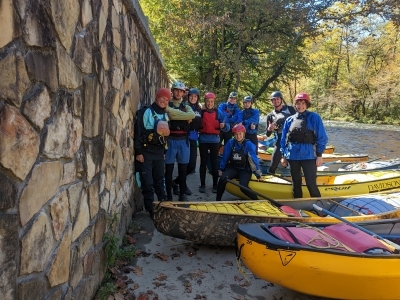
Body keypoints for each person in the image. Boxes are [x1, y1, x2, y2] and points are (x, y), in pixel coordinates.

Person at [280, 92, 328, 198]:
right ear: (295, 104)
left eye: (303, 103)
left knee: (311, 184)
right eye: (298, 103)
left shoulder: (314, 117)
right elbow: (284, 139)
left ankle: (319, 207)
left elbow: (322, 137)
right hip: (292, 156)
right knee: (296, 184)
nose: (300, 106)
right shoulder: (289, 120)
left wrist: (319, 155)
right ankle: (298, 206)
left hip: (309, 156)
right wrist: (283, 155)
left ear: (307, 104)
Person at [134, 88, 171, 219]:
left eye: (167, 100)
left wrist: (165, 152)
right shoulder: (146, 112)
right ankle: (151, 210)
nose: (164, 101)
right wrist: (138, 152)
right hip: (146, 153)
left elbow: (165, 137)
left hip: (159, 154)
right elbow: (138, 133)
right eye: (163, 98)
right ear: (157, 97)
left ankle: (163, 207)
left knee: (160, 181)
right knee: (148, 183)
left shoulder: (166, 115)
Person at [164, 81, 195, 201]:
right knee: (169, 170)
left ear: (183, 93)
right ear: (172, 91)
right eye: (176, 90)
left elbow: (191, 116)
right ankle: (169, 196)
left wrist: (173, 114)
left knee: (183, 170)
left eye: (181, 91)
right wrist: (183, 116)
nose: (178, 93)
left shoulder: (186, 106)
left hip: (183, 141)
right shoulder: (168, 105)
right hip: (170, 140)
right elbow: (170, 115)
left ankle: (182, 193)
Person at [216, 124, 262, 201]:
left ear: (244, 134)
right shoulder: (231, 142)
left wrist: (257, 174)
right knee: (222, 179)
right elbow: (225, 157)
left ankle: (257, 201)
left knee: (243, 187)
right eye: (236, 134)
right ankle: (217, 200)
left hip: (245, 169)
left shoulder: (249, 144)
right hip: (233, 168)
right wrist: (222, 169)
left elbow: (254, 160)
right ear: (234, 134)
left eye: (240, 134)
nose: (238, 136)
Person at [198, 92, 230, 193]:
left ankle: (215, 185)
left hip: (215, 140)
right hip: (203, 139)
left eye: (211, 101)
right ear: (205, 102)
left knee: (214, 162)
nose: (209, 103)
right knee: (203, 162)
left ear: (214, 102)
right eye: (207, 101)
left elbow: (227, 127)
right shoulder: (201, 112)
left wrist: (224, 126)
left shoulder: (219, 113)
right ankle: (202, 185)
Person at [172, 88, 202, 195]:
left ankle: (175, 182)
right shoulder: (184, 107)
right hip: (184, 137)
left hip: (193, 139)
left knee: (192, 165)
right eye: (191, 96)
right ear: (188, 97)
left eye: (195, 96)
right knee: (184, 164)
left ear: (198, 98)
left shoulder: (200, 109)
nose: (193, 98)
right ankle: (183, 186)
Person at [266, 91, 296, 173]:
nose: (276, 101)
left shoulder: (290, 109)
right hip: (280, 138)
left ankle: (299, 178)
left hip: (293, 138)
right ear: (272, 102)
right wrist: (269, 129)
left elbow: (298, 120)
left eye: (277, 99)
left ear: (281, 99)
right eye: (274, 100)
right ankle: (270, 174)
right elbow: (268, 135)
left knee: (295, 163)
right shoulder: (270, 115)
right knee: (273, 163)